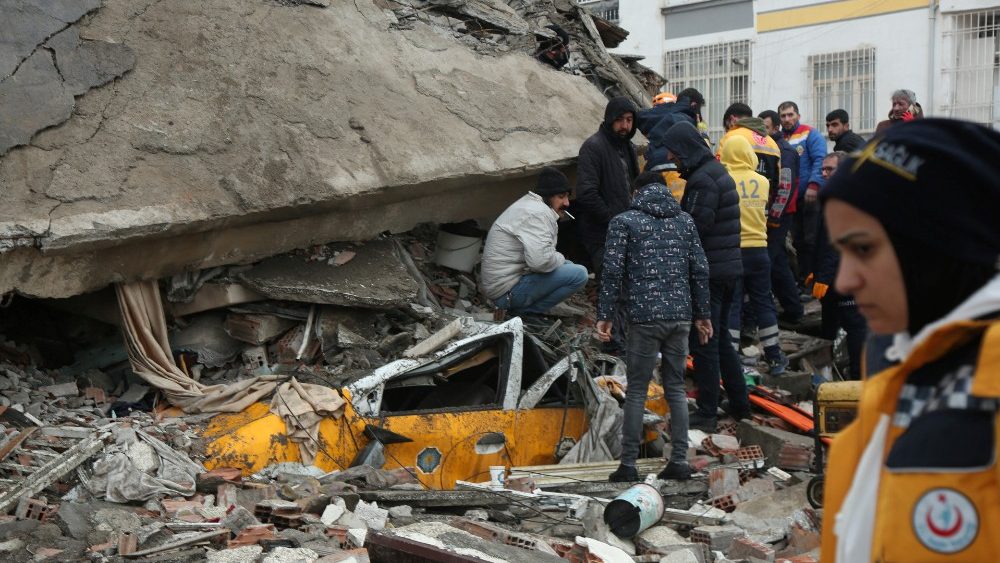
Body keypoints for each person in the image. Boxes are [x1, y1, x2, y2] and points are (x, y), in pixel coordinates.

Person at [818, 119, 1000, 561]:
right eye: (840, 252)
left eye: (863, 249)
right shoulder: (893, 383)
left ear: (940, 246)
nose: (844, 280)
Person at [597, 171, 711, 482]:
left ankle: (629, 465)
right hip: (680, 317)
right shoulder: (684, 221)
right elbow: (699, 269)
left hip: (644, 318)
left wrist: (604, 314)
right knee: (676, 388)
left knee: (636, 391)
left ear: (636, 193)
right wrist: (703, 314)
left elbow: (611, 272)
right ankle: (678, 462)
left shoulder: (624, 222)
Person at [662, 121, 748, 432]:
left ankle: (708, 412)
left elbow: (695, 229)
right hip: (727, 269)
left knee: (705, 341)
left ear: (686, 149)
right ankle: (741, 404)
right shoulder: (714, 173)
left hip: (709, 273)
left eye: (675, 154)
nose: (673, 160)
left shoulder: (702, 182)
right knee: (721, 339)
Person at [576, 96, 640, 354]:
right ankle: (612, 348)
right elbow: (587, 194)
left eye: (629, 120)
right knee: (612, 290)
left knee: (626, 290)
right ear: (609, 119)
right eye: (620, 120)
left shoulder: (628, 148)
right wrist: (615, 222)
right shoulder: (594, 147)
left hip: (625, 232)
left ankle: (621, 343)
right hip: (603, 234)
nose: (625, 125)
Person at [720, 136, 789, 375]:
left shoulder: (724, 180)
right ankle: (774, 357)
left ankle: (729, 359)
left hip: (734, 250)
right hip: (759, 250)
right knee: (763, 302)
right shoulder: (762, 181)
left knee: (733, 305)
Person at [481, 167, 588, 316]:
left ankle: (521, 311)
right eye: (561, 196)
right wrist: (561, 257)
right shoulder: (538, 214)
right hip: (504, 294)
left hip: (502, 287)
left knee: (568, 267)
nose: (567, 203)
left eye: (567, 197)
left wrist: (559, 260)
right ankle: (525, 313)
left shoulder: (533, 206)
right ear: (547, 196)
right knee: (579, 274)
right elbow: (540, 263)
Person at [810, 151, 867, 378]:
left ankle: (858, 379)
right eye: (822, 169)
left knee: (855, 327)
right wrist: (815, 270)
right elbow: (822, 240)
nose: (824, 174)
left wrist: (823, 275)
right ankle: (827, 375)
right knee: (828, 328)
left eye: (829, 169)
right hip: (833, 275)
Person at [759, 110, 804, 323]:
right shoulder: (766, 147)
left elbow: (785, 186)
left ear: (775, 128)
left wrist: (775, 216)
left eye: (765, 128)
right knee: (778, 262)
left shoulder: (784, 151)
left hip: (780, 214)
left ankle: (785, 311)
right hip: (769, 214)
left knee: (770, 262)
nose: (760, 132)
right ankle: (793, 309)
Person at [779, 101, 827, 284]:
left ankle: (815, 279)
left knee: (811, 240)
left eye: (790, 115)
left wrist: (814, 185)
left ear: (798, 115)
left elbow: (819, 159)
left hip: (809, 197)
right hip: (790, 201)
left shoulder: (810, 133)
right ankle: (803, 280)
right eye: (783, 116)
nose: (787, 119)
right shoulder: (780, 138)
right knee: (797, 242)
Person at [636, 88, 704, 172]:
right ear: (694, 104)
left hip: (650, 164)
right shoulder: (684, 121)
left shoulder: (652, 117)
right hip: (676, 164)